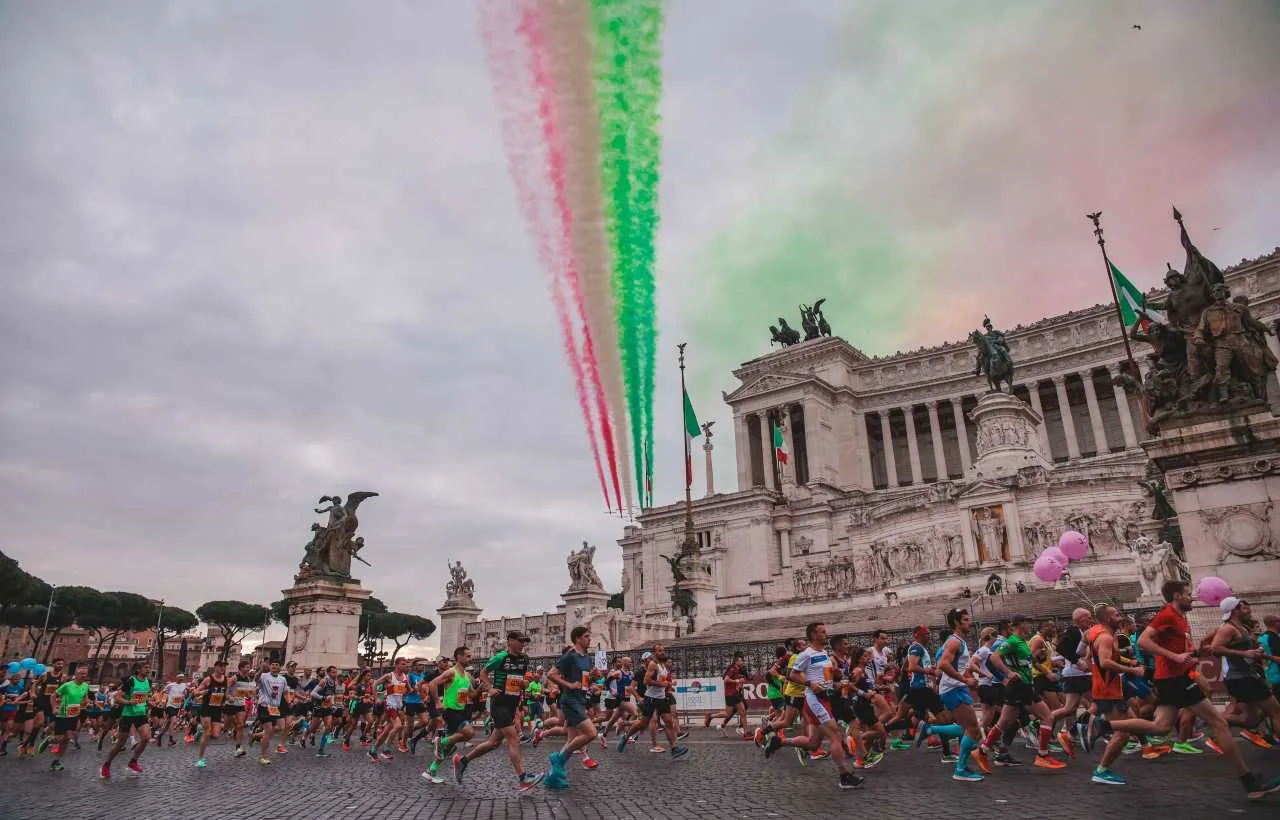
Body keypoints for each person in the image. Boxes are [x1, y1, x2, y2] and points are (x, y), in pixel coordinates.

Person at [1096, 580, 1280, 800]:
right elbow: (1144, 641)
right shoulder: (1167, 615)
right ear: (1176, 596)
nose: (1192, 597)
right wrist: (1174, 657)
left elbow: (1184, 652)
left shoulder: (1180, 619)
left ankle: (1104, 724)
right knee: (1219, 723)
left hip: (1171, 679)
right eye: (1187, 594)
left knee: (1161, 727)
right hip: (1176, 679)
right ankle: (1250, 783)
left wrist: (1200, 653)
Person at [762, 622, 864, 790]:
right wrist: (810, 683)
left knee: (813, 743)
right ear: (814, 635)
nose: (826, 634)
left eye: (826, 631)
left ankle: (779, 742)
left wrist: (835, 678)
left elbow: (826, 677)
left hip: (826, 698)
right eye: (822, 632)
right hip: (814, 699)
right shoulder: (806, 654)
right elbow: (792, 674)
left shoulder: (823, 653)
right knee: (835, 735)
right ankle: (844, 776)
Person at [451, 630, 544, 792]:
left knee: (493, 743)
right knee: (514, 738)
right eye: (520, 641)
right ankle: (523, 778)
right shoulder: (500, 657)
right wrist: (490, 688)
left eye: (524, 641)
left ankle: (462, 761)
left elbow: (522, 680)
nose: (523, 644)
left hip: (512, 703)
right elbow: (483, 673)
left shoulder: (524, 659)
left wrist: (524, 685)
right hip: (499, 703)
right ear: (510, 641)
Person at [545, 627, 603, 789]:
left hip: (580, 699)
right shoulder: (570, 656)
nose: (589, 639)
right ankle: (558, 758)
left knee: (571, 740)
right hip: (570, 701)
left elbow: (582, 680)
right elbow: (551, 674)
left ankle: (553, 776)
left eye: (589, 636)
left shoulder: (587, 659)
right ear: (577, 639)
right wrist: (569, 684)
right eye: (586, 637)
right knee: (591, 733)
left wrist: (591, 683)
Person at [101, 661, 153, 780]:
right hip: (128, 715)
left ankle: (133, 761)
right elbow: (117, 697)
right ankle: (107, 764)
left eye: (149, 668)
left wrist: (149, 703)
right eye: (146, 667)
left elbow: (143, 697)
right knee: (120, 745)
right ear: (139, 669)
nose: (148, 670)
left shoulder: (148, 682)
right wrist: (129, 702)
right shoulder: (130, 681)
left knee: (145, 738)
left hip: (140, 714)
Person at [47, 665, 89, 772]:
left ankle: (57, 760)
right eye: (81, 673)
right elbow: (53, 695)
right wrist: (54, 708)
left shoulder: (85, 686)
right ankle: (50, 739)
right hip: (62, 714)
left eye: (85, 673)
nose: (83, 675)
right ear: (76, 674)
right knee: (59, 738)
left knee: (67, 738)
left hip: (74, 715)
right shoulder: (67, 685)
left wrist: (84, 703)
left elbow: (85, 698)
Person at [255, 660, 289, 766]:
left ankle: (256, 736)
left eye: (277, 664)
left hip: (275, 708)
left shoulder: (282, 679)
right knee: (269, 731)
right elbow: (256, 679)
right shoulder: (264, 676)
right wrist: (261, 669)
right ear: (270, 666)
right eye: (273, 664)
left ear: (280, 667)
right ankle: (263, 756)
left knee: (282, 727)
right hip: (264, 706)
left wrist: (289, 701)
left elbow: (286, 692)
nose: (274, 666)